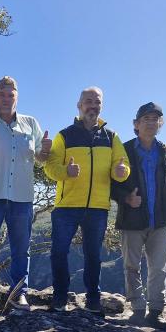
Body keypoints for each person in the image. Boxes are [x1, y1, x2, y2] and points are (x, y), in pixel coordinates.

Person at [44, 87, 130, 314]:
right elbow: (49, 167)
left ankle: (93, 299)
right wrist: (66, 171)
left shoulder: (111, 137)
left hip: (98, 207)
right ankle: (60, 297)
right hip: (67, 205)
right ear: (79, 105)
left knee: (94, 255)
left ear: (101, 106)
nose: (93, 105)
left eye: (97, 101)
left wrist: (121, 171)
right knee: (59, 252)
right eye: (88, 101)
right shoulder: (65, 135)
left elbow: (122, 166)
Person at [0, 76, 49, 314]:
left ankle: (18, 295)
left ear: (16, 98)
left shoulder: (30, 124)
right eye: (2, 95)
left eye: (10, 95)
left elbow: (41, 159)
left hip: (22, 197)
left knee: (20, 248)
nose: (6, 99)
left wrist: (45, 151)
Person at [111, 102, 166, 329]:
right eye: (146, 119)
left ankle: (155, 312)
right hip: (132, 218)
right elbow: (111, 184)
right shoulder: (123, 150)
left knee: (158, 267)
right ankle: (137, 309)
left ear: (160, 124)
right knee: (131, 266)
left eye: (156, 119)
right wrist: (126, 198)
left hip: (162, 219)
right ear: (136, 124)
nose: (151, 123)